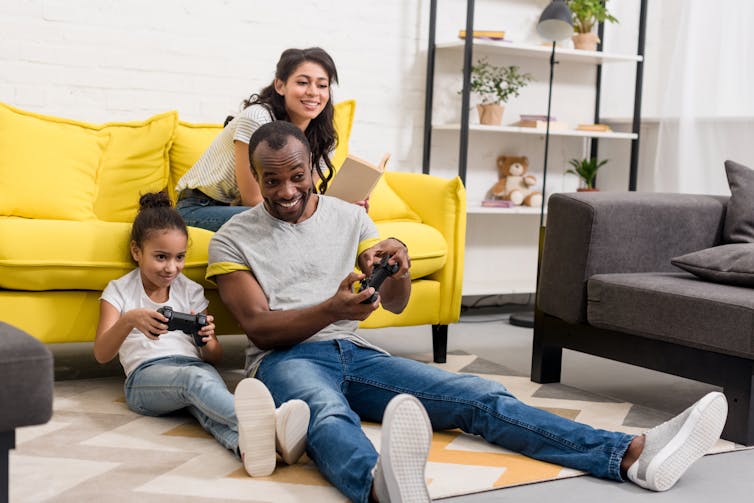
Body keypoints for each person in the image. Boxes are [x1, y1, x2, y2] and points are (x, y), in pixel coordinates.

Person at [206, 121, 729, 503]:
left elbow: (394, 303)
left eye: (296, 176)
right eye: (270, 181)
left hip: (355, 350)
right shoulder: (232, 237)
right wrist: (331, 308)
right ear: (253, 177)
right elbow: (259, 328)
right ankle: (379, 486)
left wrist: (398, 271)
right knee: (324, 411)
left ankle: (629, 455)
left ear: (312, 169)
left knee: (479, 395)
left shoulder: (349, 218)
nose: (286, 191)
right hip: (285, 362)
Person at [93, 191, 311, 477]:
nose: (171, 268)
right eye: (161, 257)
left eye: (179, 257)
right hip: (144, 379)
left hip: (194, 368)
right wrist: (130, 321)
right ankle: (268, 423)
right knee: (194, 382)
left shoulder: (189, 291)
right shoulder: (120, 291)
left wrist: (206, 339)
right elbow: (101, 354)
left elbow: (214, 357)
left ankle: (250, 448)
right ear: (137, 251)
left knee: (206, 408)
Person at [175, 46, 350, 232]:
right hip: (198, 208)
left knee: (331, 222)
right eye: (303, 83)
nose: (314, 92)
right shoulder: (257, 119)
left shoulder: (324, 139)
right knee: (276, 224)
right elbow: (253, 201)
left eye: (322, 85)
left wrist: (345, 208)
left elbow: (304, 199)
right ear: (280, 86)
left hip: (247, 210)